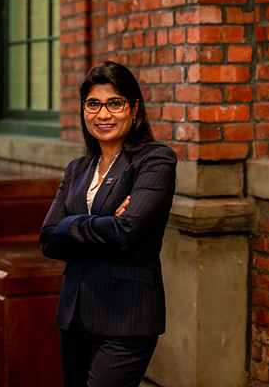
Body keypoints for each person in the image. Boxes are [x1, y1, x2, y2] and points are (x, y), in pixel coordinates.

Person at [39, 61, 177, 387]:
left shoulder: (155, 161)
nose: (103, 114)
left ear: (134, 108)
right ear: (83, 110)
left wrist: (71, 227)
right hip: (73, 316)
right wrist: (100, 224)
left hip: (126, 318)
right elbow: (48, 239)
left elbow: (125, 231)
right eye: (93, 104)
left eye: (115, 103)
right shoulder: (77, 169)